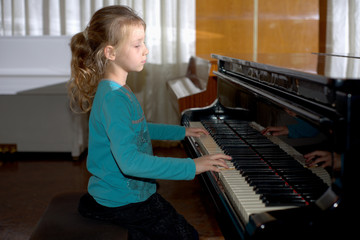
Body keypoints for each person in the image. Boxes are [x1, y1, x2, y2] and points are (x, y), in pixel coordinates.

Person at [67, 5, 231, 240]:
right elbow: (131, 163)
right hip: (122, 200)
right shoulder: (113, 98)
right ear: (110, 52)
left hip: (127, 192)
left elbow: (139, 127)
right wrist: (193, 166)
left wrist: (182, 133)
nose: (145, 50)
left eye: (144, 42)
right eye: (137, 45)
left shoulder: (119, 89)